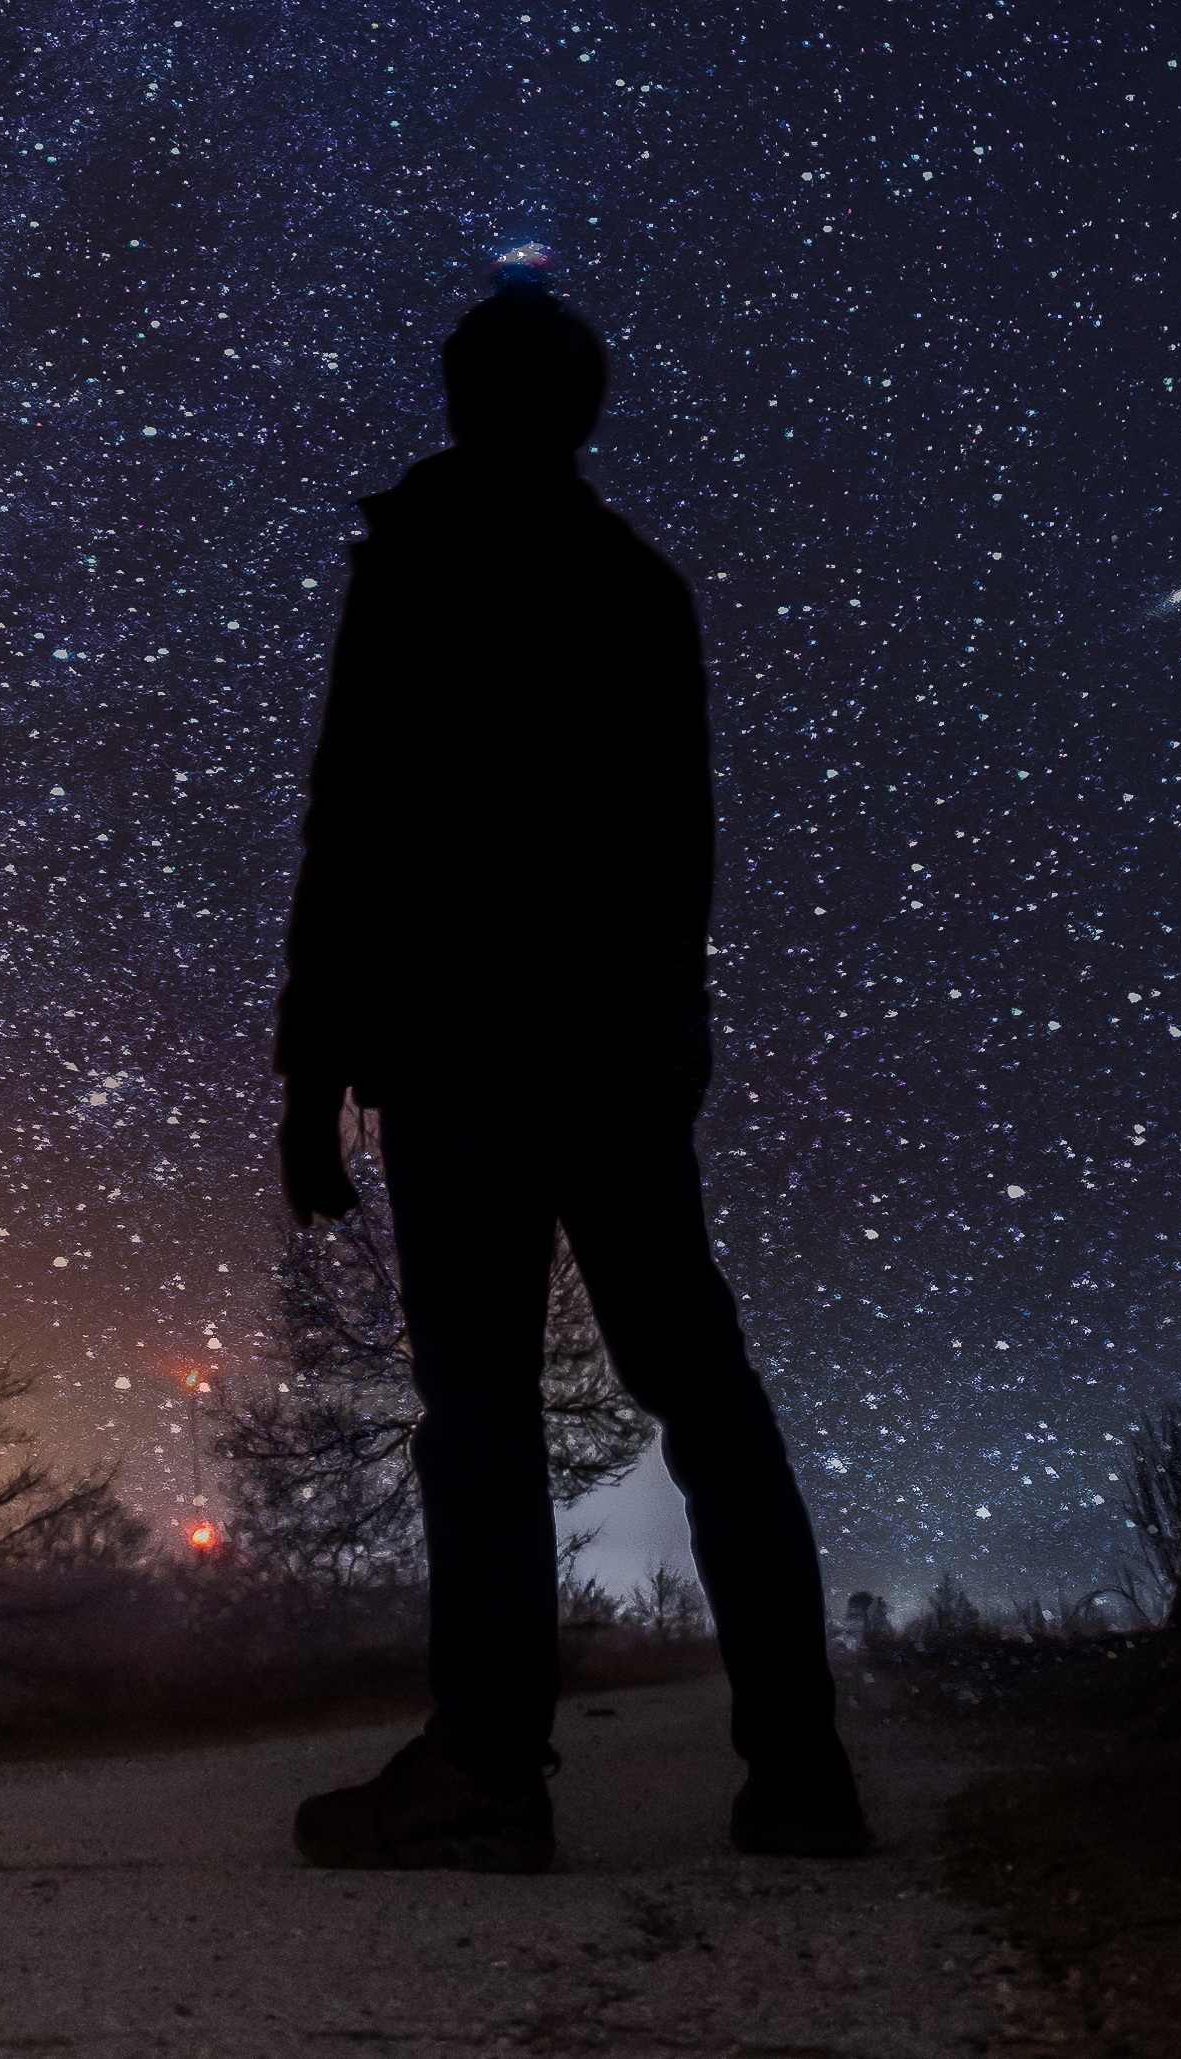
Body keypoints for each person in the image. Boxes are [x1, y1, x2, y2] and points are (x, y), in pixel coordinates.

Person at [274, 270, 867, 1876]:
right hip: (611, 1064)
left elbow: (356, 828)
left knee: (477, 1411)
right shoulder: (637, 586)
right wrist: (671, 1046)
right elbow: (681, 855)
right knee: (704, 1399)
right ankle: (802, 1773)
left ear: (471, 400)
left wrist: (308, 1076)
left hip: (464, 1058)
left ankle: (485, 1769)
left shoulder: (422, 562)